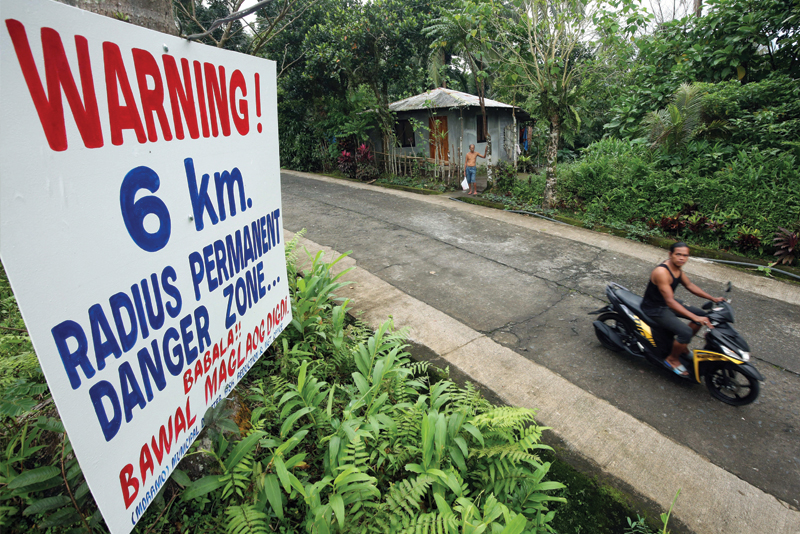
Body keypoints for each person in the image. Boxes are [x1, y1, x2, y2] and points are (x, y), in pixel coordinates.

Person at [641, 242, 725, 376]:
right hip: (655, 308)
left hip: (667, 303)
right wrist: (694, 317)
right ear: (670, 254)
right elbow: (670, 302)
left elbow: (690, 285)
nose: (681, 258)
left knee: (702, 314)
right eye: (678, 254)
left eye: (685, 255)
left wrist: (713, 298)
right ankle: (672, 359)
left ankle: (682, 347)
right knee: (685, 331)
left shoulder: (677, 269)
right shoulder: (662, 272)